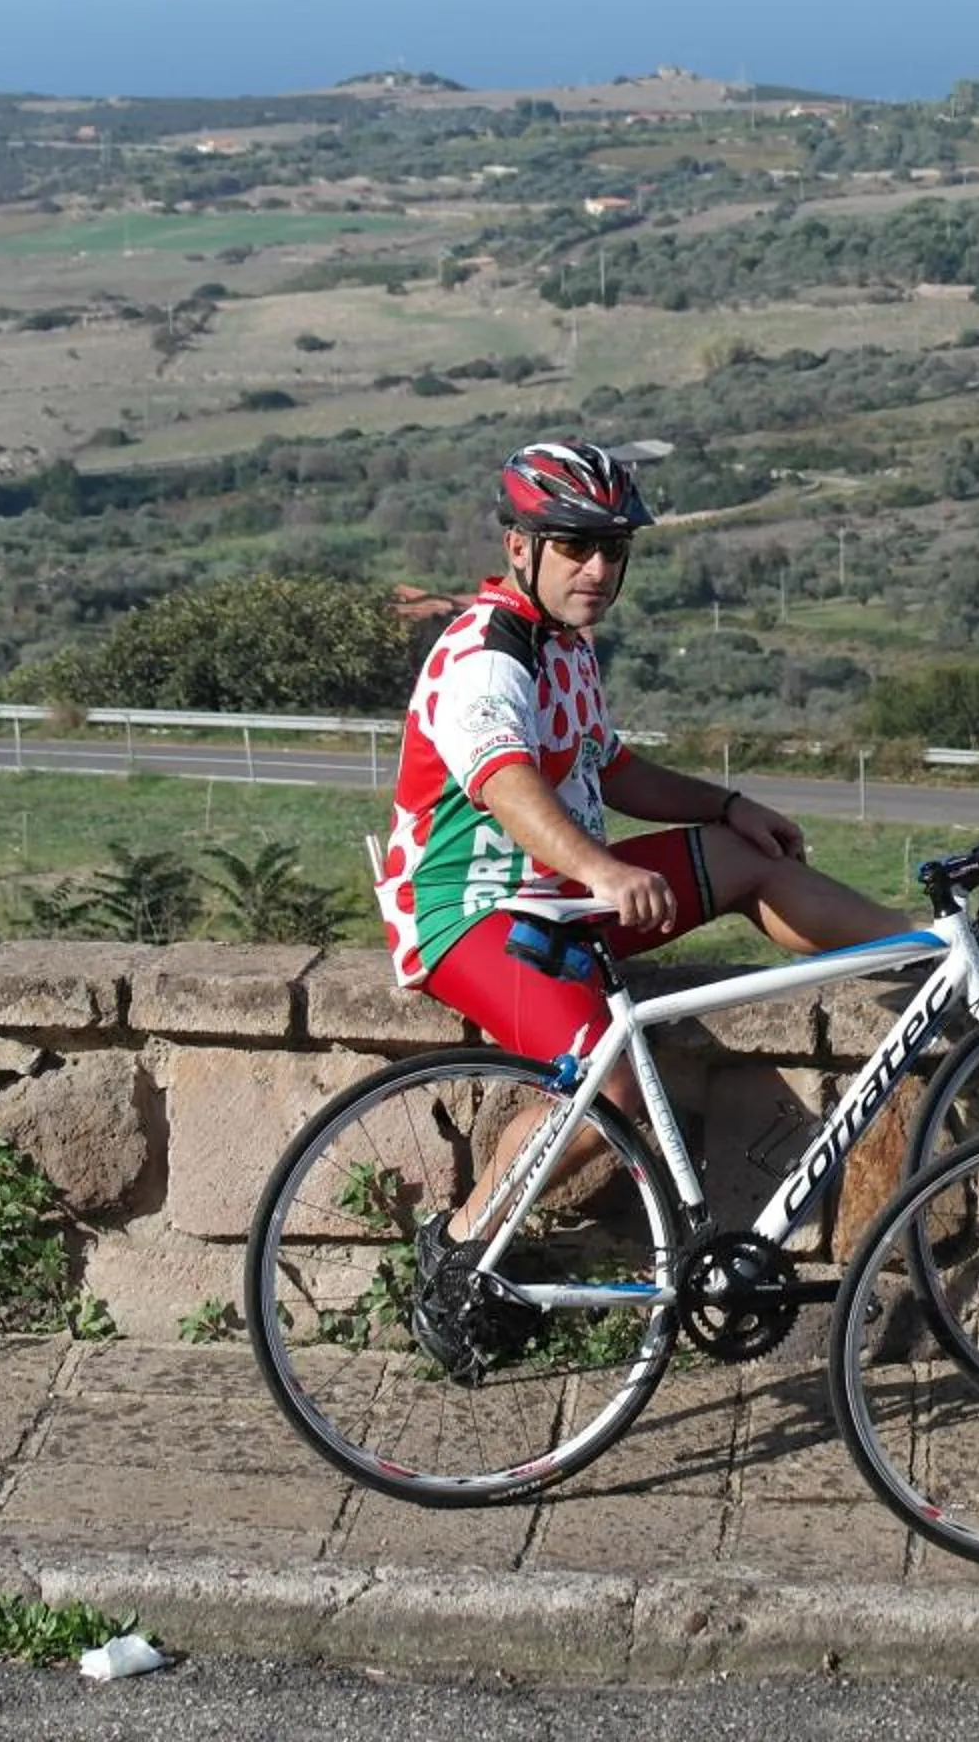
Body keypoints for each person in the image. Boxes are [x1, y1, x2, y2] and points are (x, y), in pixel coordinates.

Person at [375, 439, 917, 1369]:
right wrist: (602, 869)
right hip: (472, 913)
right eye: (574, 546)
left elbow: (613, 769)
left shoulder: (565, 647)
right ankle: (460, 1247)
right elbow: (505, 782)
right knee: (613, 1088)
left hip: (561, 897)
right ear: (520, 548)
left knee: (744, 858)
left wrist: (727, 804)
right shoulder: (485, 657)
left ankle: (927, 950)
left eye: (612, 549)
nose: (596, 568)